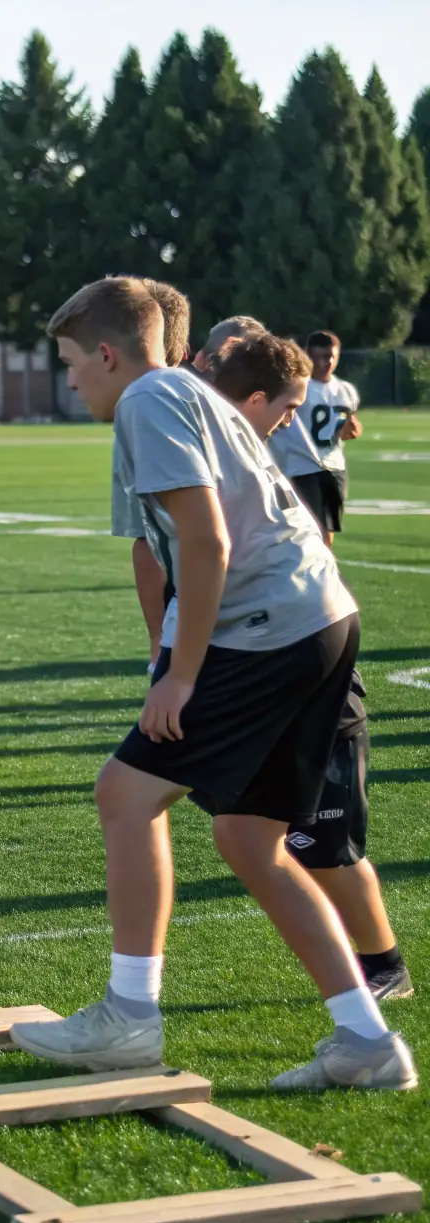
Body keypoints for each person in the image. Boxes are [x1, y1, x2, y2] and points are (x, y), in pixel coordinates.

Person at [10, 277, 415, 1092]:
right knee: (244, 837)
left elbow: (205, 542)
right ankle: (367, 1039)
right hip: (318, 619)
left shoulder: (147, 401)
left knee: (124, 795)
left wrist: (180, 674)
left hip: (269, 626)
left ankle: (130, 1015)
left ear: (109, 353)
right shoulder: (180, 393)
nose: (71, 380)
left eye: (71, 363)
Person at [208, 330, 412, 1001]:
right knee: (246, 831)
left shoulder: (247, 459)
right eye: (288, 406)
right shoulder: (224, 451)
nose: (293, 417)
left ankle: (382, 968)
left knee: (325, 844)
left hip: (311, 670)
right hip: (264, 665)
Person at [110, 280, 192, 669]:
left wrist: (159, 641)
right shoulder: (209, 397)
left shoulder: (144, 404)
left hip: (226, 618)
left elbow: (148, 545)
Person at [268, 330, 360, 545]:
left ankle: (323, 571)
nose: (326, 362)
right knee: (305, 528)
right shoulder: (297, 385)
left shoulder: (345, 389)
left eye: (331, 356)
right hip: (301, 465)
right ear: (308, 355)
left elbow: (350, 428)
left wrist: (352, 430)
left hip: (333, 465)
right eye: (320, 356)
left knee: (327, 529)